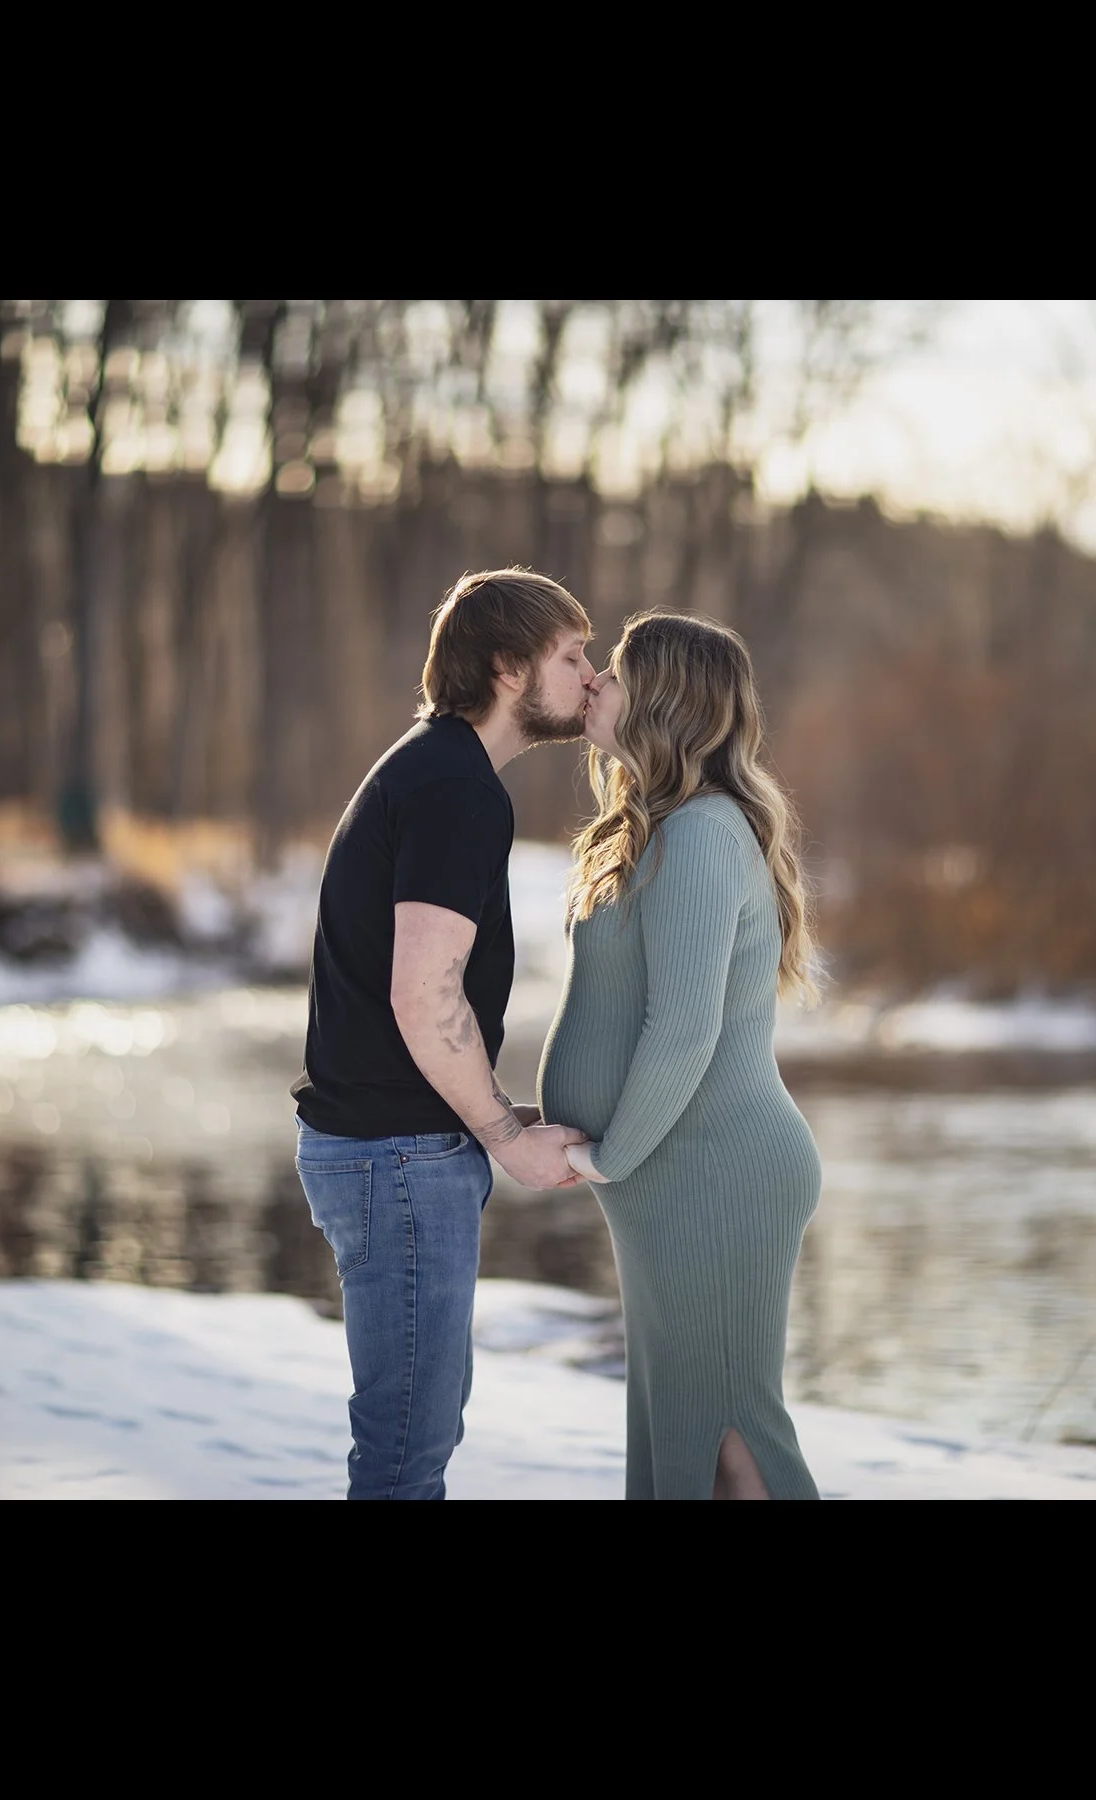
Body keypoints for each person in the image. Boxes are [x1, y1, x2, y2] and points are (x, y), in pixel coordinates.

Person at [292, 567, 596, 1500]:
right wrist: (503, 1134)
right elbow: (424, 996)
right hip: (397, 1156)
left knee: (417, 1428)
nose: (592, 675)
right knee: (405, 1452)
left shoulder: (431, 769)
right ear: (510, 666)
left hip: (387, 1149)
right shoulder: (455, 786)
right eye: (573, 655)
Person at [538, 610, 824, 1500]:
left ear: (662, 702)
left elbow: (685, 1028)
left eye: (614, 673)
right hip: (673, 1178)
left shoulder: (701, 834)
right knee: (684, 1436)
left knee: (732, 1441)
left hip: (717, 1175)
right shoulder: (660, 829)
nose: (596, 685)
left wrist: (608, 1155)